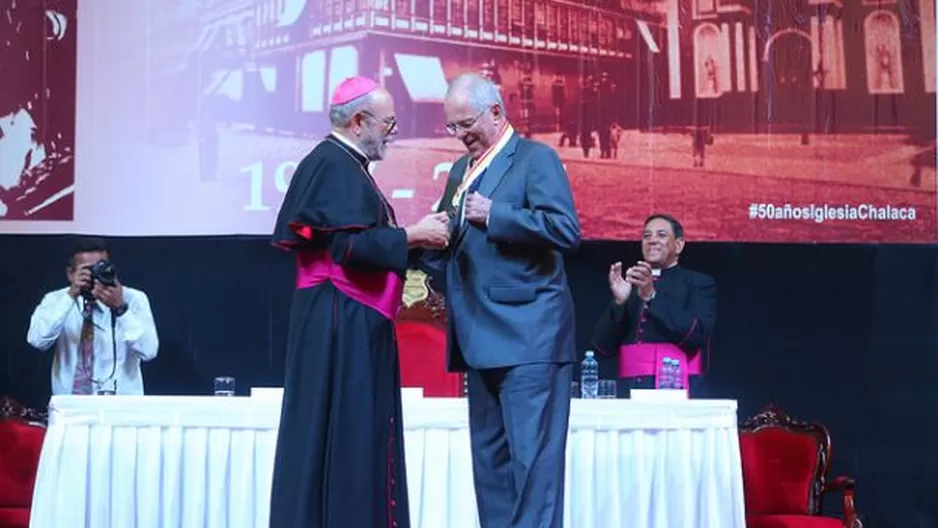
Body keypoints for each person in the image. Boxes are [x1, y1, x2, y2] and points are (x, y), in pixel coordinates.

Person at [268, 76, 450, 528]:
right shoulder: (333, 165)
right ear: (358, 120)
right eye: (388, 123)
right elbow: (347, 250)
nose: (392, 131)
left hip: (350, 319)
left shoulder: (345, 167)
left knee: (356, 437)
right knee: (345, 437)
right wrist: (413, 235)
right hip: (340, 322)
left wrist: (419, 240)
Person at [415, 73, 581, 528]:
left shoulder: (535, 159)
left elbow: (566, 230)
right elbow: (457, 245)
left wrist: (498, 215)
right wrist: (429, 242)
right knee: (490, 472)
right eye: (452, 127)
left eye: (466, 123)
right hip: (477, 339)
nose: (460, 134)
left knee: (534, 472)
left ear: (495, 111)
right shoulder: (458, 172)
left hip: (530, 339)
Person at [592, 214, 717, 397]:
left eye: (661, 235)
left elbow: (698, 335)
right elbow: (603, 348)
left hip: (681, 389)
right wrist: (619, 302)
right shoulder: (630, 285)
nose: (652, 241)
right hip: (630, 391)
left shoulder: (698, 282)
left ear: (679, 245)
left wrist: (652, 296)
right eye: (647, 236)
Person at [26, 237, 159, 395]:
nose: (95, 275)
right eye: (89, 270)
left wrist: (121, 309)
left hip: (120, 407)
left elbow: (148, 352)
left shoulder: (133, 299)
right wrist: (70, 296)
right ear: (71, 273)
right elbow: (37, 340)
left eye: (101, 267)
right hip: (71, 408)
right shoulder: (55, 300)